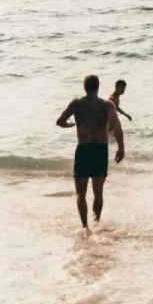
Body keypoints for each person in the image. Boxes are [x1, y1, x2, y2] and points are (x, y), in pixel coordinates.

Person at [57, 75, 125, 233]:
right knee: (98, 191)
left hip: (84, 150)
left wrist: (69, 125)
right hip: (100, 150)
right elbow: (116, 127)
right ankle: (97, 223)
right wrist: (121, 148)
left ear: (84, 87)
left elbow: (60, 121)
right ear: (98, 87)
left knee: (81, 193)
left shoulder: (76, 104)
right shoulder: (107, 105)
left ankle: (85, 227)